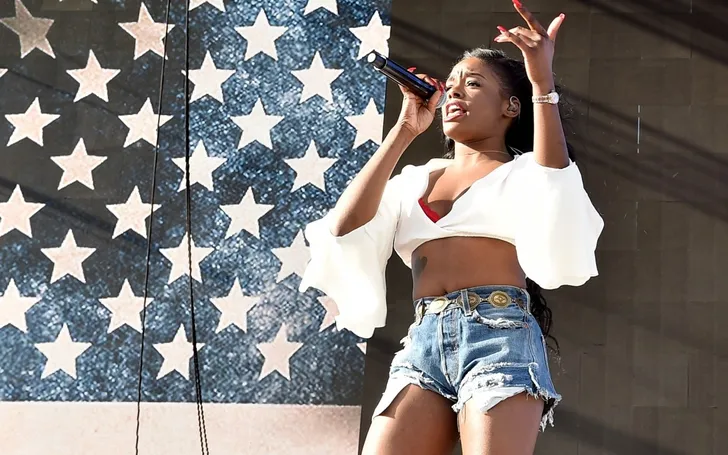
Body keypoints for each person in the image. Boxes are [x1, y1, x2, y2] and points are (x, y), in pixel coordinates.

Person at [299, 2, 603, 454]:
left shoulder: (525, 171)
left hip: (499, 334)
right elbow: (344, 228)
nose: (455, 91)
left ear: (511, 106)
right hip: (423, 341)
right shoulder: (415, 179)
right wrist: (405, 128)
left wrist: (542, 83)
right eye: (453, 84)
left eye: (473, 83)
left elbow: (557, 182)